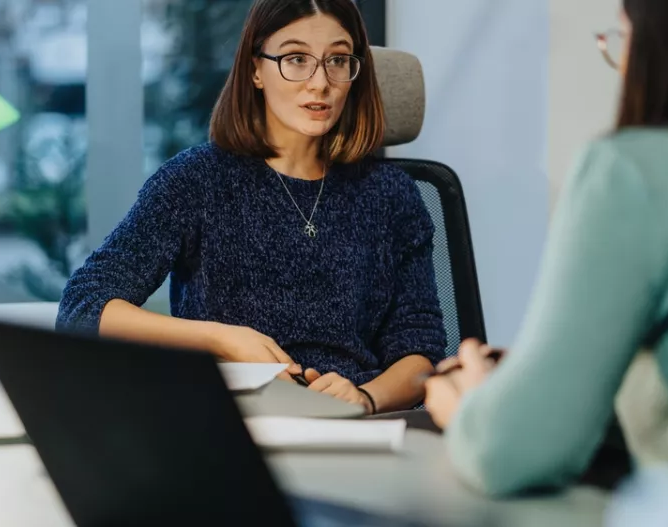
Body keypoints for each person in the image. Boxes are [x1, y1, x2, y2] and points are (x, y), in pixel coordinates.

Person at [425, 0, 668, 500]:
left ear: (666, 46)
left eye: (623, 41)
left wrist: (469, 404)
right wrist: (565, 363)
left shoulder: (635, 171)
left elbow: (509, 452)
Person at [56, 0, 446, 414]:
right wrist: (220, 338)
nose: (320, 83)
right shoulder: (197, 180)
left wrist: (366, 398)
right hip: (230, 419)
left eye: (337, 60)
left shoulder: (391, 194)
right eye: (296, 59)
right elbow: (84, 307)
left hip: (354, 423)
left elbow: (421, 349)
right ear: (255, 69)